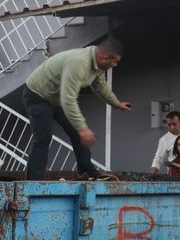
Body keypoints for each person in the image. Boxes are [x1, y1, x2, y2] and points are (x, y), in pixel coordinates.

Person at [23, 37, 132, 180]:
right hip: (38, 95)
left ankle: (87, 173)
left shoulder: (98, 65)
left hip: (57, 98)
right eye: (115, 61)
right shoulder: (79, 63)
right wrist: (83, 128)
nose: (115, 65)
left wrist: (115, 103)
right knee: (43, 137)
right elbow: (68, 99)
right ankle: (33, 182)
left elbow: (100, 86)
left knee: (77, 134)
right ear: (105, 58)